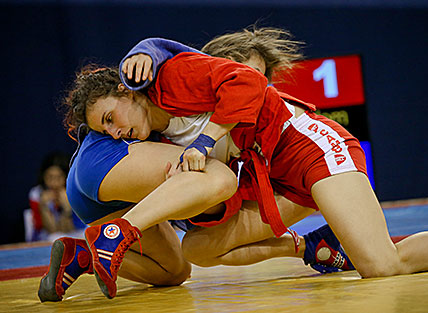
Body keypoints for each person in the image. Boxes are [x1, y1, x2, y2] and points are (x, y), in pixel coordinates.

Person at [87, 34, 428, 284]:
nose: (115, 133)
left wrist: (148, 50)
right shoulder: (157, 127)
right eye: (105, 131)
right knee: (197, 249)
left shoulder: (174, 77)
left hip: (307, 147)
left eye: (110, 119)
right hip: (271, 174)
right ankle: (314, 248)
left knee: (382, 265)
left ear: (127, 91)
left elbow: (245, 81)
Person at [39, 27, 350, 301]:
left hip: (100, 194)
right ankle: (118, 232)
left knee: (175, 270)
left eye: (262, 78)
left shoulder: (213, 124)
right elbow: (168, 55)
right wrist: (147, 49)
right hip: (104, 161)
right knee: (218, 179)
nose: (257, 87)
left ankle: (83, 254)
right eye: (245, 71)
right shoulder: (176, 85)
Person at [28, 152, 85, 242]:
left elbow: (68, 229)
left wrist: (67, 209)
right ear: (43, 176)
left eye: (58, 178)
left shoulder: (74, 192)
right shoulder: (36, 194)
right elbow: (52, 230)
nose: (54, 183)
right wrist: (43, 207)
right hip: (47, 237)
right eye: (49, 177)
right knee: (55, 238)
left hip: (74, 232)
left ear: (66, 176)